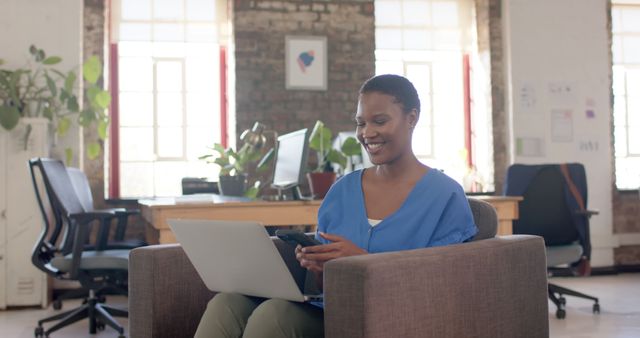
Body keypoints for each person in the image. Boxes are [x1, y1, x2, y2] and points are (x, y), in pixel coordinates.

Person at [194, 74, 477, 338]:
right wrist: (318, 267)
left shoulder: (445, 195)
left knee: (275, 315)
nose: (367, 133)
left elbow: (444, 288)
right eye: (361, 123)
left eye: (379, 121)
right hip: (330, 311)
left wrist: (361, 262)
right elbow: (319, 288)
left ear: (411, 118)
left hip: (393, 317)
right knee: (226, 303)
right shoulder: (342, 190)